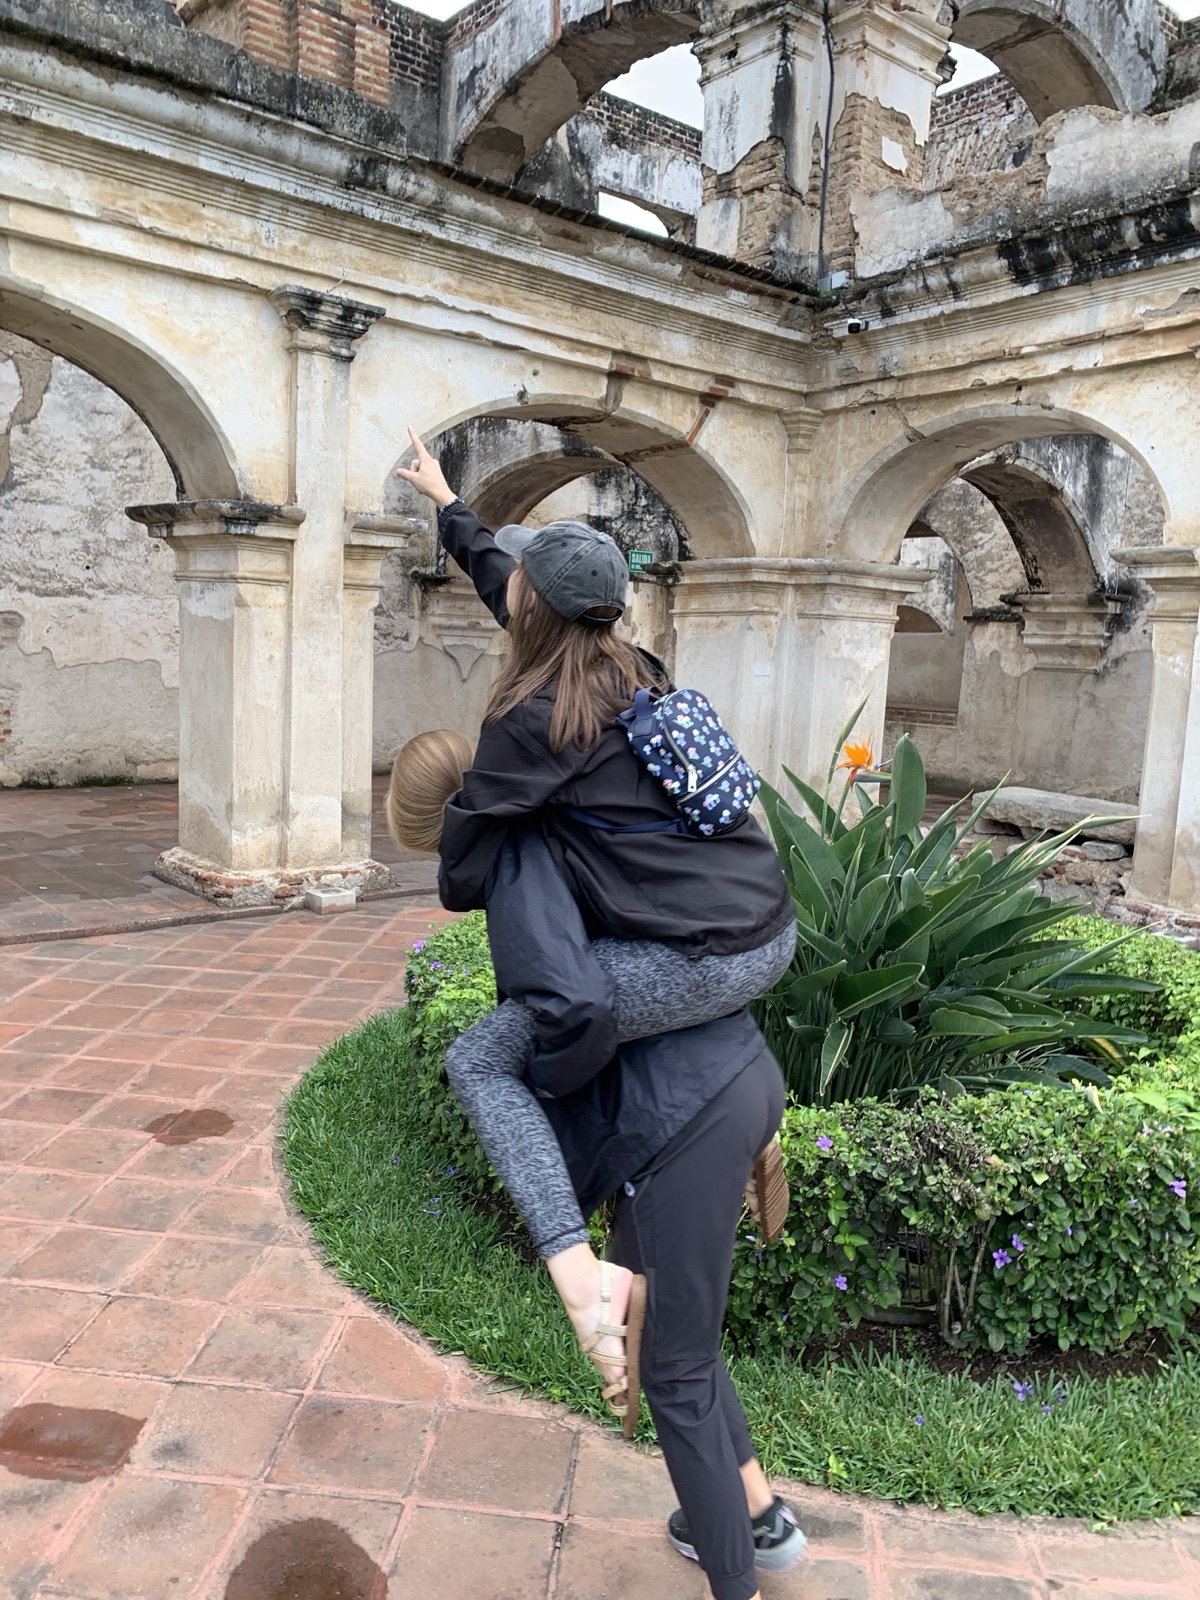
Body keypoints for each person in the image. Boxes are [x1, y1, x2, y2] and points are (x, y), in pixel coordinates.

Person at [393, 429, 807, 1599]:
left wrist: (459, 829)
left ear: (537, 611)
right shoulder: (630, 662)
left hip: (702, 966)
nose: (510, 590)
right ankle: (752, 1506)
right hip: (763, 926)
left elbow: (477, 846)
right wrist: (448, 504)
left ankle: (575, 1269)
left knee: (489, 1057)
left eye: (517, 583)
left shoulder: (533, 728)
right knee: (579, 1042)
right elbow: (516, 583)